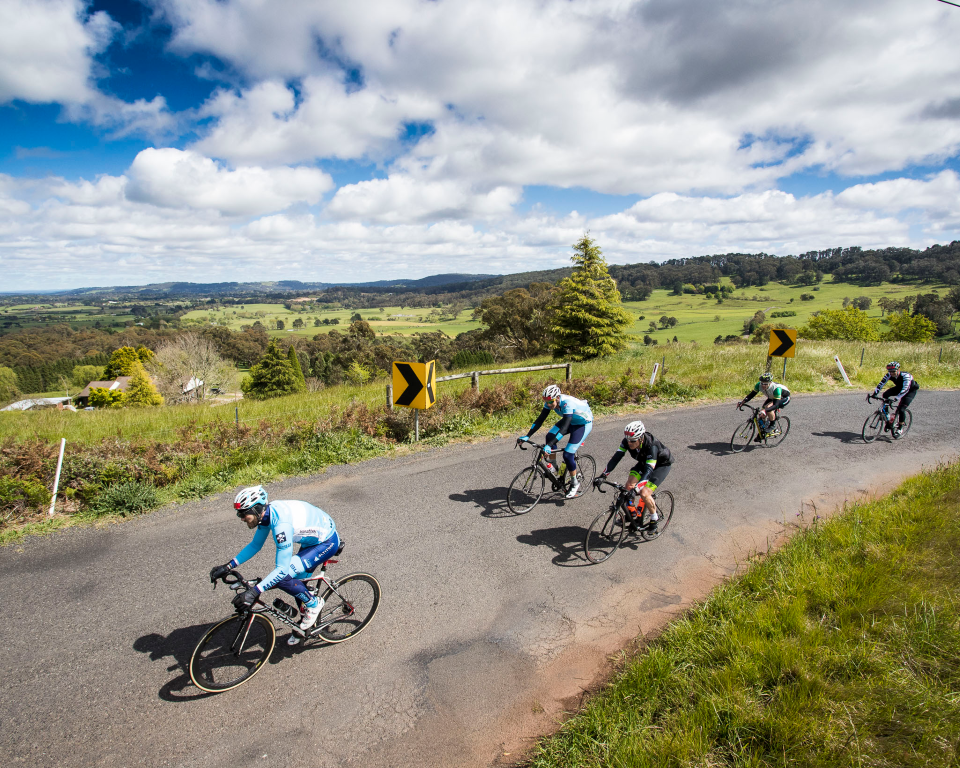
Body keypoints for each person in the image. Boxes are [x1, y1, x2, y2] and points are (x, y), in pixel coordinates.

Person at [209, 485, 340, 646]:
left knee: (284, 578)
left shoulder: (281, 526)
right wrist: (228, 566)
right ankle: (307, 620)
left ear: (256, 509)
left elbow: (281, 571)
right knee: (296, 582)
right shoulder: (265, 515)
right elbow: (255, 545)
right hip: (311, 540)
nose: (241, 518)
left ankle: (314, 604)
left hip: (326, 542)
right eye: (239, 513)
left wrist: (254, 591)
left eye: (243, 513)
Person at [594, 420, 672, 531]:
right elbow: (616, 458)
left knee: (644, 493)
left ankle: (654, 518)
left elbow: (649, 470)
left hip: (660, 466)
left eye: (632, 441)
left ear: (641, 438)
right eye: (628, 440)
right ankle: (632, 515)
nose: (629, 443)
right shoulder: (628, 441)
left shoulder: (651, 446)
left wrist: (637, 489)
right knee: (629, 486)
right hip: (644, 463)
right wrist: (603, 475)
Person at [518, 384, 593, 498]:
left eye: (550, 401)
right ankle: (554, 466)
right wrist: (528, 435)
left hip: (582, 424)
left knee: (568, 455)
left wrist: (549, 445)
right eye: (546, 401)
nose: (548, 404)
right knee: (549, 436)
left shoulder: (568, 404)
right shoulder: (550, 402)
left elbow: (563, 429)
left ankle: (574, 483)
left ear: (557, 398)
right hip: (571, 421)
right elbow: (540, 420)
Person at [868, 361, 918, 438]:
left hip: (909, 391)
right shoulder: (889, 375)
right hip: (899, 388)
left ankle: (900, 428)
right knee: (885, 395)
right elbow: (881, 384)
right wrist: (875, 394)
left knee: (901, 409)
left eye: (893, 372)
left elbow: (905, 389)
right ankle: (888, 416)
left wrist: (896, 399)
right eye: (890, 372)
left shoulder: (906, 376)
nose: (891, 373)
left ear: (898, 370)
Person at [738, 372, 790, 442]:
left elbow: (776, 405)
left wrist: (766, 410)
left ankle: (772, 425)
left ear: (770, 382)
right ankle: (762, 433)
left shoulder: (776, 389)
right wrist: (743, 402)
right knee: (762, 415)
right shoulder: (758, 385)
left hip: (783, 398)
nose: (763, 385)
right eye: (762, 383)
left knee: (768, 408)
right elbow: (752, 394)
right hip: (772, 397)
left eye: (765, 384)